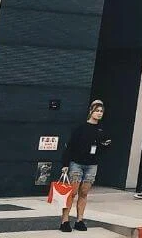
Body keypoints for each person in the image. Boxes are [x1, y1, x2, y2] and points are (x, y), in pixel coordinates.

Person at [59, 100, 111, 233]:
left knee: (84, 192)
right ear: (91, 112)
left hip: (92, 164)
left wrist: (105, 145)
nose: (99, 114)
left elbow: (104, 146)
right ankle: (65, 220)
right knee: (72, 193)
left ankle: (79, 220)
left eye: (101, 112)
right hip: (76, 163)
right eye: (97, 111)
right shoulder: (80, 128)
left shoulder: (102, 129)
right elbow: (69, 146)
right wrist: (65, 164)